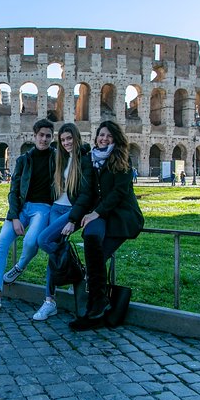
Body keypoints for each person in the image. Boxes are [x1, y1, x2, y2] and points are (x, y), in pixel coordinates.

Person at [69, 121, 144, 331]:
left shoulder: (122, 160)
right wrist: (81, 216)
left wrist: (95, 213)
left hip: (121, 215)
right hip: (102, 214)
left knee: (97, 258)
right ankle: (97, 305)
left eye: (109, 136)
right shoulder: (93, 159)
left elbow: (118, 193)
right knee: (91, 239)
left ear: (116, 139)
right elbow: (90, 191)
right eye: (101, 135)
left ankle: (95, 309)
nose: (104, 139)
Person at [0, 119, 55, 317]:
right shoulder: (24, 160)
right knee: (1, 242)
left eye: (48, 135)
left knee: (31, 242)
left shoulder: (57, 158)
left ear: (52, 137)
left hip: (43, 208)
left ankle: (19, 267)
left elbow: (78, 150)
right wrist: (14, 217)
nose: (44, 139)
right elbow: (13, 190)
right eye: (41, 135)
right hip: (22, 208)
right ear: (34, 136)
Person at [33, 123, 94, 321]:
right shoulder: (60, 158)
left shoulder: (85, 160)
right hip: (55, 208)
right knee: (54, 256)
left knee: (43, 240)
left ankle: (75, 272)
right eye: (63, 140)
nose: (67, 143)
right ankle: (49, 301)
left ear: (76, 138)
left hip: (70, 211)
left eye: (70, 138)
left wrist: (73, 219)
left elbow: (86, 193)